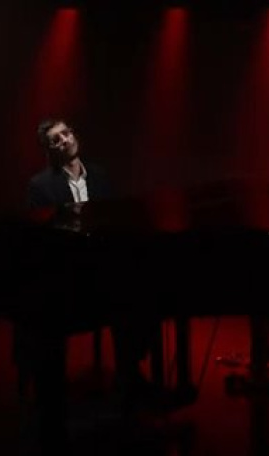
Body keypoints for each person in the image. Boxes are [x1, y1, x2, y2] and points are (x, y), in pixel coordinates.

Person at [23, 118, 160, 408]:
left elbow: (115, 220)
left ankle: (129, 372)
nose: (64, 140)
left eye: (66, 133)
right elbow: (42, 239)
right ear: (49, 150)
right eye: (56, 140)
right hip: (68, 273)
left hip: (104, 267)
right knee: (122, 295)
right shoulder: (40, 186)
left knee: (142, 291)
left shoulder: (99, 175)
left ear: (74, 135)